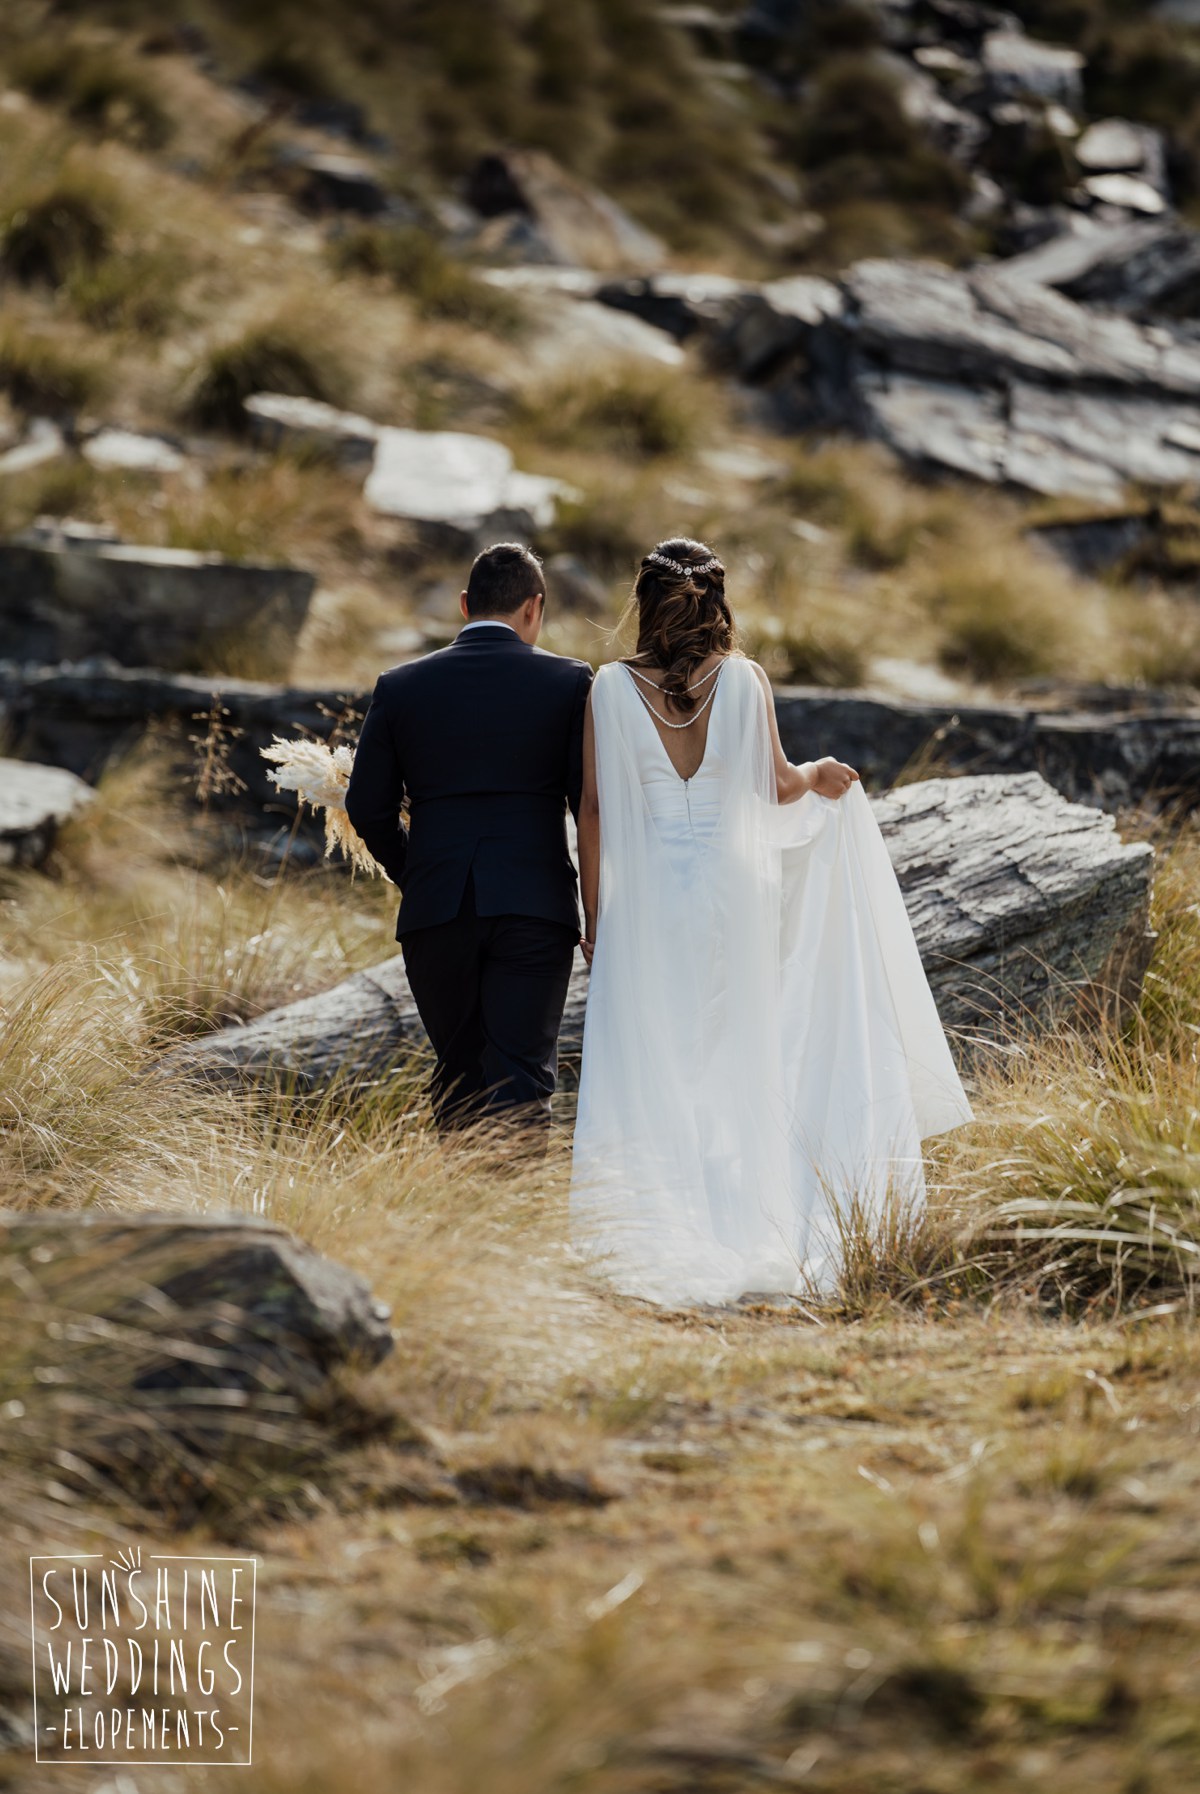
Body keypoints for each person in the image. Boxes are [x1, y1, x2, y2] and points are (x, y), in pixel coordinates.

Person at [570, 537, 975, 1304]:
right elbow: (777, 784)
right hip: (733, 898)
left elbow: (591, 810)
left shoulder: (609, 689)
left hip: (648, 899)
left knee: (650, 1058)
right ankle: (746, 1220)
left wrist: (599, 918)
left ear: (644, 603)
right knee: (736, 1057)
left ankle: (655, 1226)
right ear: (715, 602)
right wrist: (821, 775)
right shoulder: (746, 681)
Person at [345, 542, 592, 1141]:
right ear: (534, 607)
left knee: (457, 1073)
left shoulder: (400, 684)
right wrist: (596, 908)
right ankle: (512, 1226)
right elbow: (589, 806)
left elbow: (365, 806)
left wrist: (419, 871)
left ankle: (458, 1214)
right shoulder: (569, 680)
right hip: (535, 908)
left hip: (436, 910)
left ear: (464, 605)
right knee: (523, 1076)